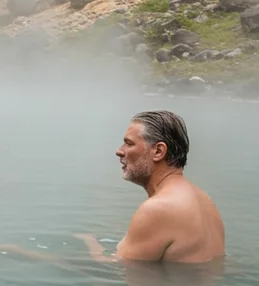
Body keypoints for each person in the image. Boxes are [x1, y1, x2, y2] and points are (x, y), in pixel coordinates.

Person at [82, 110, 224, 264]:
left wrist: (89, 244)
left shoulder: (159, 209)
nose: (119, 151)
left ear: (158, 151)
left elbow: (118, 273)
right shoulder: (205, 201)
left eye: (129, 143)